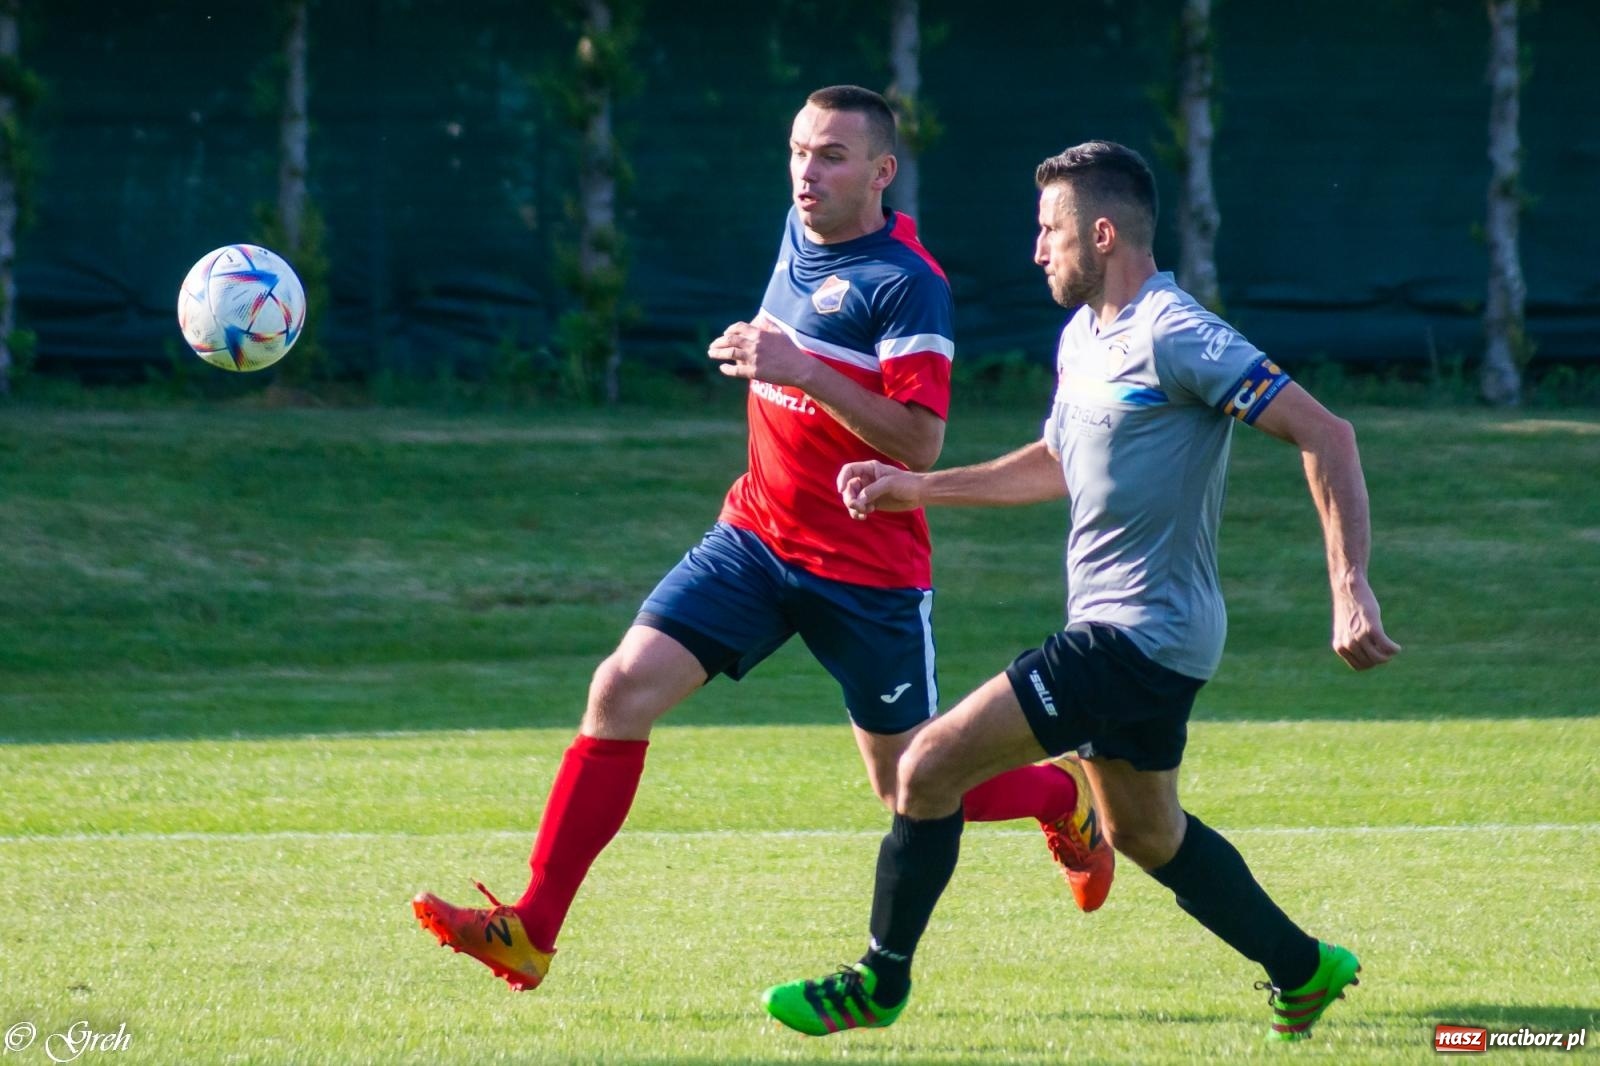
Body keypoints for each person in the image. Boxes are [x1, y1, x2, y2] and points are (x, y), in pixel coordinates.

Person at [411, 87, 1115, 994]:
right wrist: (766, 369)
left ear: (881, 172)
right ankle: (531, 929)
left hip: (867, 570)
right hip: (753, 538)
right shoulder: (797, 231)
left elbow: (919, 439)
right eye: (797, 152)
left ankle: (1061, 797)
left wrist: (797, 368)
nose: (806, 173)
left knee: (909, 785)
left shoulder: (910, 283)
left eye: (829, 156)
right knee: (618, 689)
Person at [763, 140, 1402, 1042]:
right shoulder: (1083, 337)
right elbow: (1057, 461)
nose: (1037, 250)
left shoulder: (1175, 330)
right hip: (1137, 635)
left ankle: (880, 979)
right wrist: (920, 488)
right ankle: (1304, 968)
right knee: (1143, 833)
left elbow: (1327, 433)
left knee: (927, 764)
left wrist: (1350, 588)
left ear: (1102, 234)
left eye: (1049, 230)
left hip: (1136, 636)